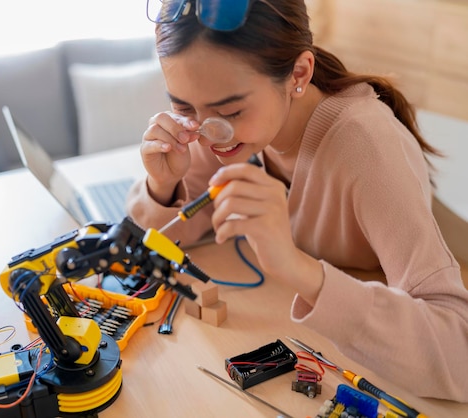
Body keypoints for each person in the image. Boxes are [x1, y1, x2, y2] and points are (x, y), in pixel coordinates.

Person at [127, 0, 468, 402]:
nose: (207, 133)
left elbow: (458, 354)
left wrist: (295, 267)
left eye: (231, 110)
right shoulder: (217, 122)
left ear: (299, 74)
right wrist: (162, 185)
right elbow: (154, 244)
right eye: (183, 106)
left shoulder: (366, 145)